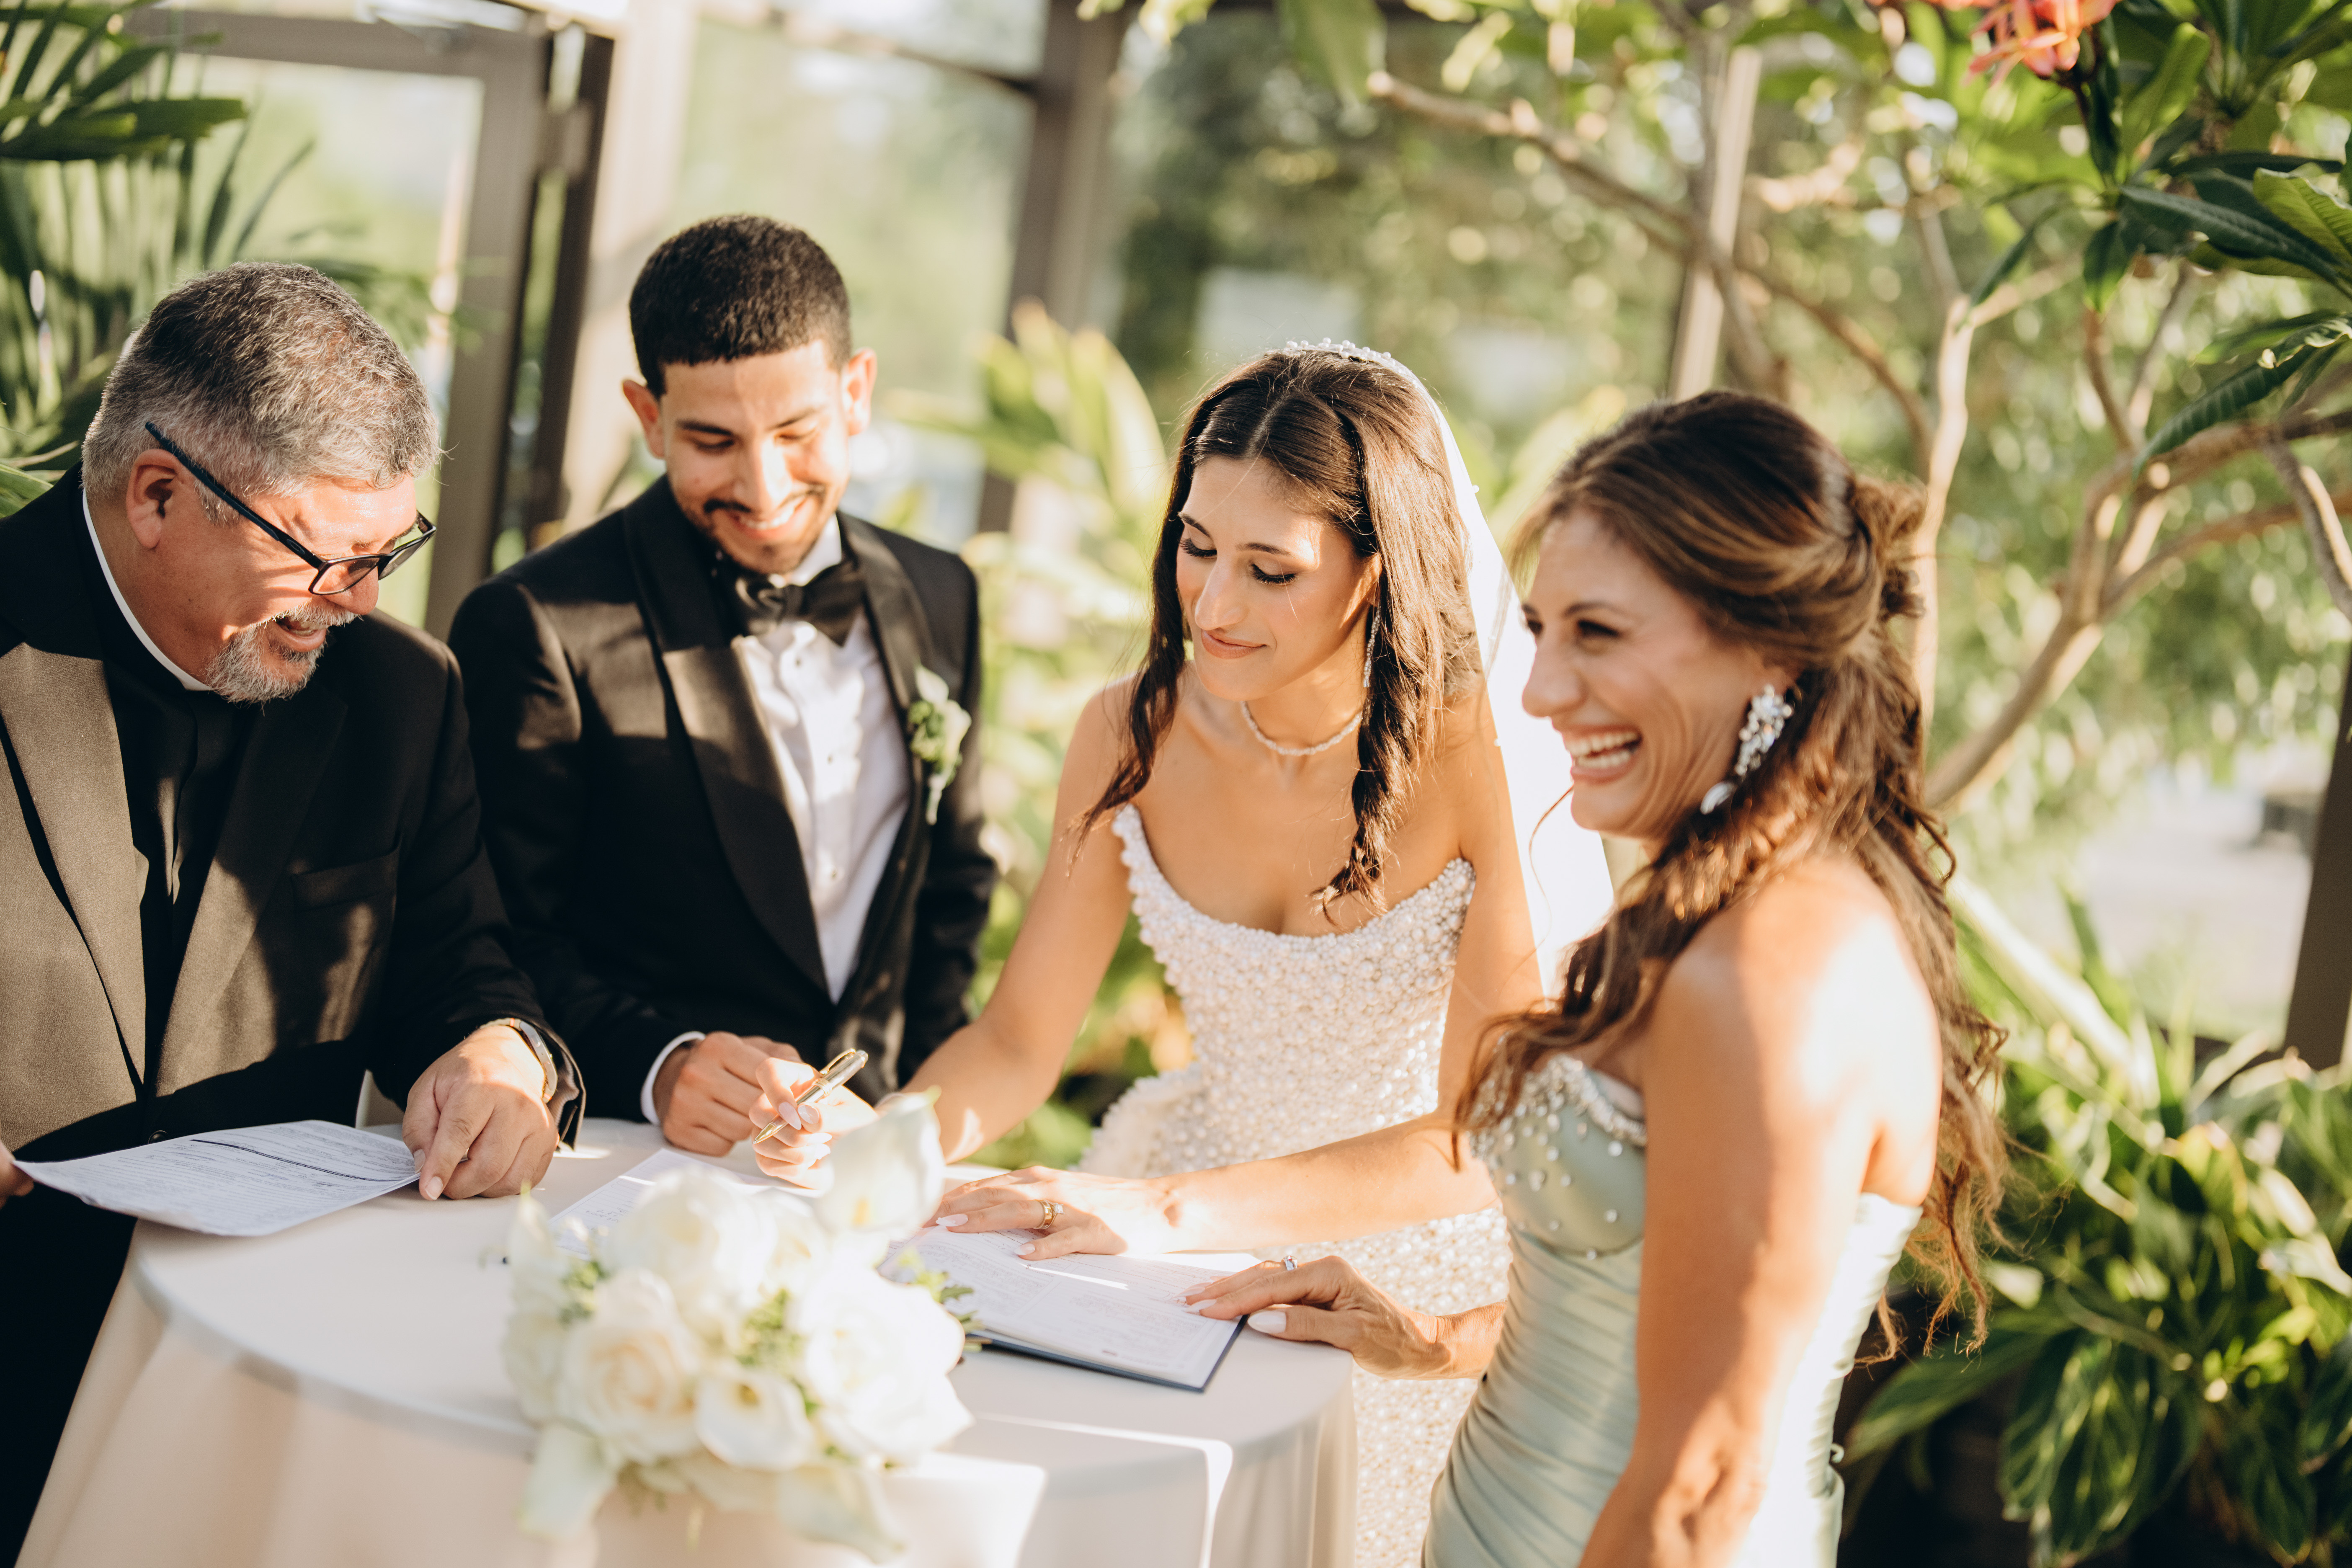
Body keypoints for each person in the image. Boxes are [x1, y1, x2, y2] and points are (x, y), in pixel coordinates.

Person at [756, 344, 1612, 1566]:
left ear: (1378, 569)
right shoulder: (1131, 730)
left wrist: (1162, 1211)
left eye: (1272, 569)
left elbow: (1475, 1138)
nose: (1213, 604)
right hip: (1162, 1254)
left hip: (1391, 1276)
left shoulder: (1484, 758)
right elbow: (1019, 1040)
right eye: (1197, 546)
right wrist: (888, 1144)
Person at [1185, 391, 2009, 1567]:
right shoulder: (1718, 909)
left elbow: (1702, 1487)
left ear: (1768, 649)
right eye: (1543, 629)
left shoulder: (1776, 977)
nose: (1541, 689)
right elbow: (1649, 1302)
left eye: (1600, 635)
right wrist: (1431, 1338)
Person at [0, 262, 576, 1558]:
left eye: (388, 553)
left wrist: (498, 1055)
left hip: (261, 1399)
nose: (363, 599)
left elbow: (460, 967)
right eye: (329, 557)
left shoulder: (403, 695)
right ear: (158, 495)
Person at [449, 216, 993, 1166]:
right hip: (635, 1164)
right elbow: (489, 938)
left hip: (872, 1162)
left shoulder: (942, 592)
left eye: (796, 432)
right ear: (649, 416)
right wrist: (660, 1065)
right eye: (712, 439)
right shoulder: (537, 622)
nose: (763, 485)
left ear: (856, 392)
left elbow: (950, 895)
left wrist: (917, 1128)